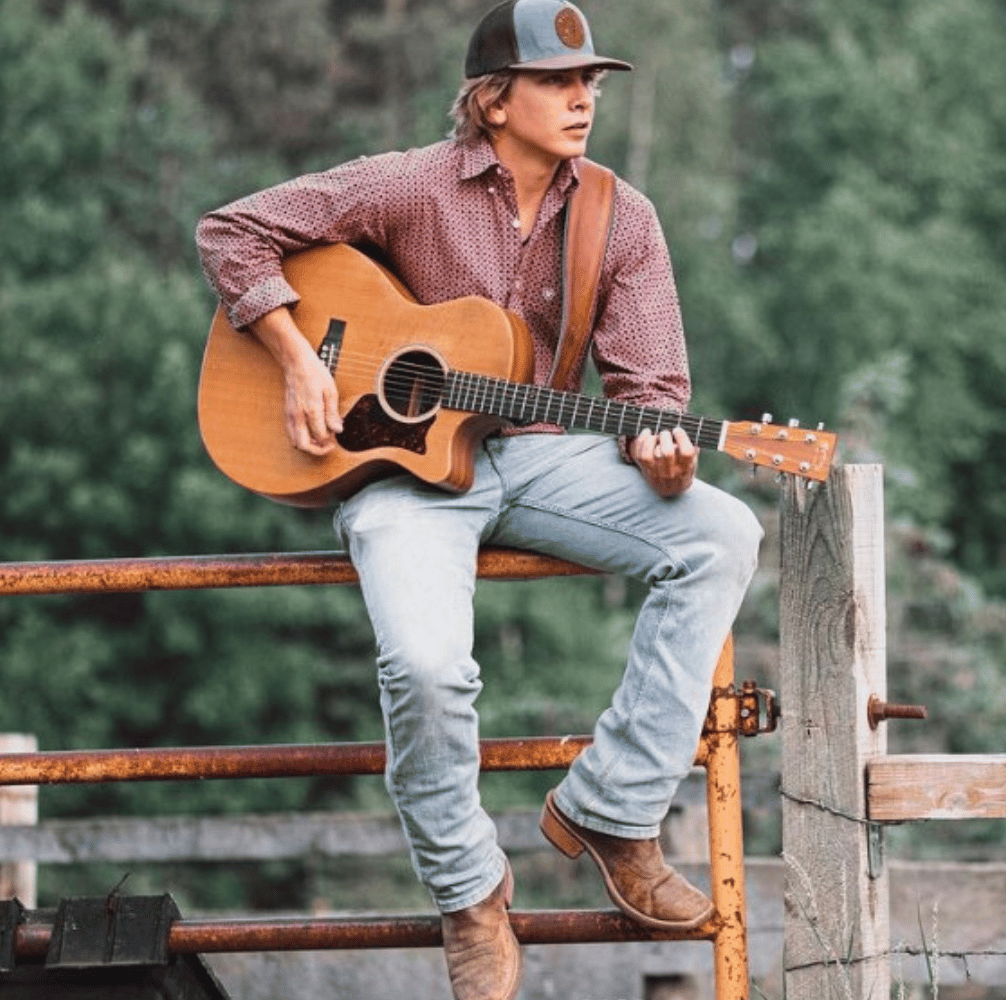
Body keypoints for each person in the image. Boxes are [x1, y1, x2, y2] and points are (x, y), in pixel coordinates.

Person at [196, 2, 761, 997]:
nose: (582, 98)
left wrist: (663, 450)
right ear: (493, 99)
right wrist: (296, 358)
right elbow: (231, 229)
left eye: (590, 81)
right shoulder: (412, 184)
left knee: (720, 530)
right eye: (557, 81)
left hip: (540, 456)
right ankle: (467, 895)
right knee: (422, 664)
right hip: (398, 471)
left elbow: (650, 394)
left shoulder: (618, 217)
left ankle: (614, 808)